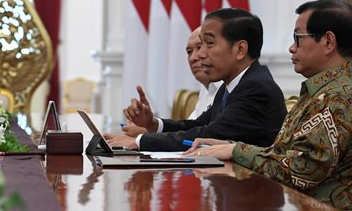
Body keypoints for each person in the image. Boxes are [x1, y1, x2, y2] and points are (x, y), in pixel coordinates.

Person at [185, 0, 352, 211]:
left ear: (328, 42)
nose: (292, 47)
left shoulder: (341, 98)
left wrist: (235, 150)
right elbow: (285, 155)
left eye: (298, 38)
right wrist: (230, 146)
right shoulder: (326, 92)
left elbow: (299, 172)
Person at [106, 8, 287, 151]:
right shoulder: (232, 84)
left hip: (253, 192)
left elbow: (209, 135)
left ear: (240, 49)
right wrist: (154, 124)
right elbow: (198, 124)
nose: (200, 55)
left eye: (209, 44)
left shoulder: (256, 88)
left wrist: (140, 141)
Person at [120, 26, 221, 140]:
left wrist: (145, 137)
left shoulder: (229, 89)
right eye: (189, 52)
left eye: (200, 47)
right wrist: (150, 124)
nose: (193, 57)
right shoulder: (207, 90)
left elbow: (205, 137)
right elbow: (191, 130)